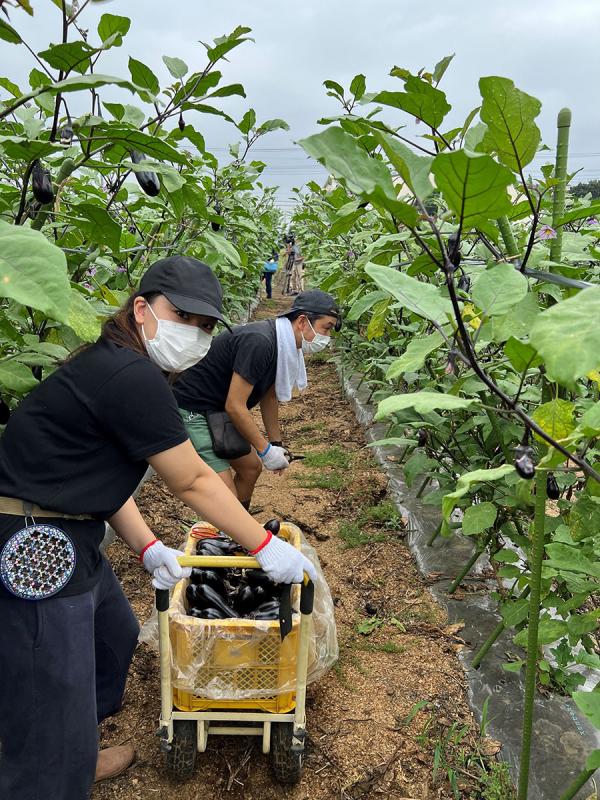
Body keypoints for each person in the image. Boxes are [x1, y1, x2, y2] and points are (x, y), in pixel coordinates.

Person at [0, 255, 316, 800]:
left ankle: (69, 751)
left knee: (113, 636)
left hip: (72, 530)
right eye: (183, 317)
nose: (193, 333)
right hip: (34, 540)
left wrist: (146, 546)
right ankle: (46, 774)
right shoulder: (128, 374)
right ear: (142, 310)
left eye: (204, 326)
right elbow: (192, 479)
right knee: (50, 679)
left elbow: (95, 473)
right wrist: (263, 545)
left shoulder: (126, 366)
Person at [173, 289, 343, 511]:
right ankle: (226, 532)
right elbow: (235, 406)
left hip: (216, 410)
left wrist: (276, 445)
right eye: (326, 328)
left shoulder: (282, 344)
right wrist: (264, 450)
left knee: (251, 468)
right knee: (222, 496)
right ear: (302, 321)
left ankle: (233, 533)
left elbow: (269, 395)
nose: (327, 338)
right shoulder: (261, 342)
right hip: (192, 409)